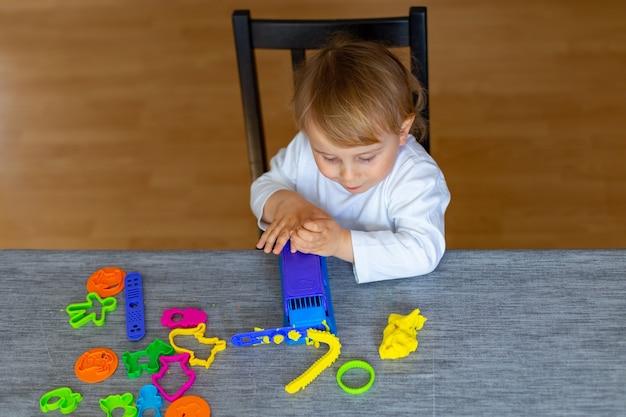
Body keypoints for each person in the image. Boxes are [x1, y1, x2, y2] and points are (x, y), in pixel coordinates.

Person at [250, 36, 450, 283]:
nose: (348, 175)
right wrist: (285, 203)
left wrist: (341, 243)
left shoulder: (415, 175)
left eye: (365, 158)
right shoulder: (304, 148)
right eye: (328, 157)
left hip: (390, 291)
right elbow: (263, 185)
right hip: (311, 277)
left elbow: (423, 251)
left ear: (401, 130)